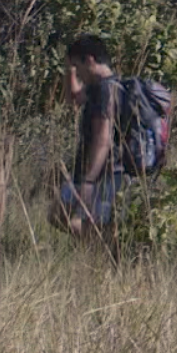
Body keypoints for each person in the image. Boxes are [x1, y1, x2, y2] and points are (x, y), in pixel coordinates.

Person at [48, 34, 125, 238]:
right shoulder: (101, 85)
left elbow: (103, 139)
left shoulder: (105, 91)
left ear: (89, 60)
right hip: (89, 168)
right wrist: (69, 70)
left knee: (89, 225)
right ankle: (100, 245)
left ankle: (103, 248)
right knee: (59, 215)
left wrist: (89, 180)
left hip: (104, 172)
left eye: (78, 66)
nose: (78, 73)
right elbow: (73, 99)